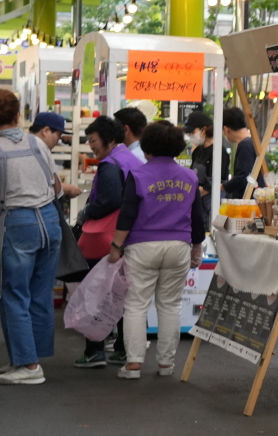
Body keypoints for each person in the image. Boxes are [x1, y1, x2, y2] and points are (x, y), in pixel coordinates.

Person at [0, 88, 64, 385]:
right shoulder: (37, 143)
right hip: (50, 220)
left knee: (13, 294)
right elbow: (57, 187)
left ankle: (29, 365)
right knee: (39, 293)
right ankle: (30, 357)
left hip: (17, 224)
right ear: (19, 115)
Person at [106, 120, 208, 380]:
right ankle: (166, 364)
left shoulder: (138, 175)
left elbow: (127, 215)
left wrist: (116, 246)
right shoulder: (189, 177)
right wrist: (197, 248)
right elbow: (197, 218)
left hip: (142, 246)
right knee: (170, 305)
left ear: (147, 147)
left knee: (136, 304)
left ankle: (134, 364)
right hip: (179, 246)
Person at [73, 115, 136, 368]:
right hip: (128, 236)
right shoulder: (132, 159)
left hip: (104, 239)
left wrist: (86, 212)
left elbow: (109, 200)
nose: (91, 146)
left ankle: (94, 351)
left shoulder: (110, 164)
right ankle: (123, 348)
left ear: (109, 140)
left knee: (96, 293)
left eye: (93, 141)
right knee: (123, 294)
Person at [29, 113, 85, 200]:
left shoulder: (31, 145)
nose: (58, 141)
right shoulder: (37, 149)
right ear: (46, 131)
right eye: (58, 136)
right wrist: (68, 189)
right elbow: (41, 185)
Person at [222, 107, 262, 199]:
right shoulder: (253, 142)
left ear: (226, 129)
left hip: (248, 202)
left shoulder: (245, 145)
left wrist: (223, 187)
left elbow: (243, 177)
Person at [183, 109, 216, 183]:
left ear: (204, 129)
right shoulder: (197, 151)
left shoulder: (218, 152)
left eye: (192, 132)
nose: (190, 135)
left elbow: (215, 182)